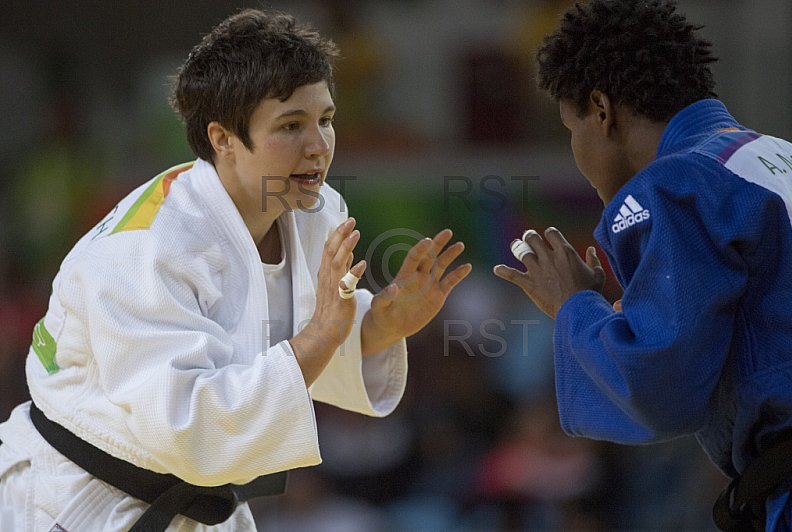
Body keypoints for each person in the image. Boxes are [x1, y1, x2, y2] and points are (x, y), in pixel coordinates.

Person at [0, 10, 471, 532]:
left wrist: (383, 322)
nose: (319, 144)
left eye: (326, 119)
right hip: (77, 502)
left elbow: (301, 331)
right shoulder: (146, 249)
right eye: (291, 125)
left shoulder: (316, 209)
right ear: (223, 138)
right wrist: (322, 335)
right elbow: (189, 429)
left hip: (195, 501)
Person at [493, 1, 792, 530]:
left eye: (572, 129)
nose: (576, 150)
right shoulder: (779, 156)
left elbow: (661, 388)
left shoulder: (677, 183)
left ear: (602, 109)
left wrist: (574, 306)